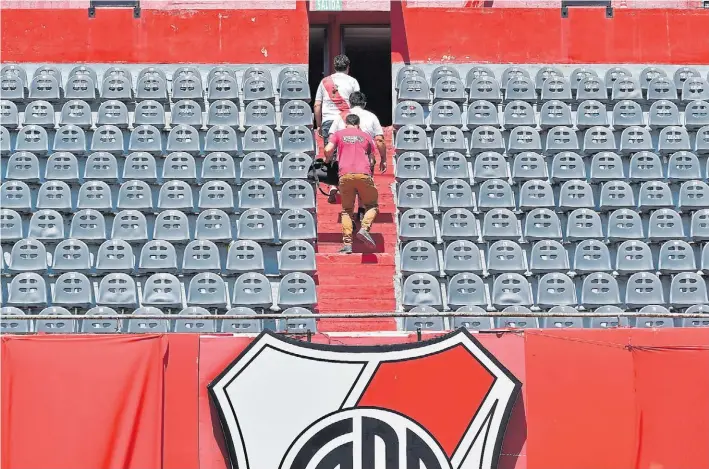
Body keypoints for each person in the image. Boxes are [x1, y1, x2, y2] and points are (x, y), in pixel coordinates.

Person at [324, 114, 379, 254]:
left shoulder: (338, 134)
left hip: (344, 175)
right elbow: (373, 160)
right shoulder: (366, 136)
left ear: (346, 124)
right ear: (358, 125)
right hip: (363, 174)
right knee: (372, 206)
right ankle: (364, 229)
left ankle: (348, 245)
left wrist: (327, 160)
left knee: (347, 210)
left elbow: (328, 149)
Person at [326, 91, 387, 203]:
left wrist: (330, 158)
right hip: (365, 157)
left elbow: (331, 137)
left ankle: (334, 185)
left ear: (350, 103)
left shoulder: (341, 116)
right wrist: (383, 159)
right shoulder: (371, 116)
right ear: (364, 103)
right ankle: (361, 211)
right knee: (363, 184)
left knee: (345, 180)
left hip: (344, 156)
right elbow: (379, 140)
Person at [314, 54, 360, 146]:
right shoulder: (352, 81)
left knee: (330, 152)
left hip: (328, 121)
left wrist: (319, 125)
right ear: (348, 67)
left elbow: (317, 105)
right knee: (345, 153)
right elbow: (357, 104)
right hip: (346, 122)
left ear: (334, 67)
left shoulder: (324, 81)